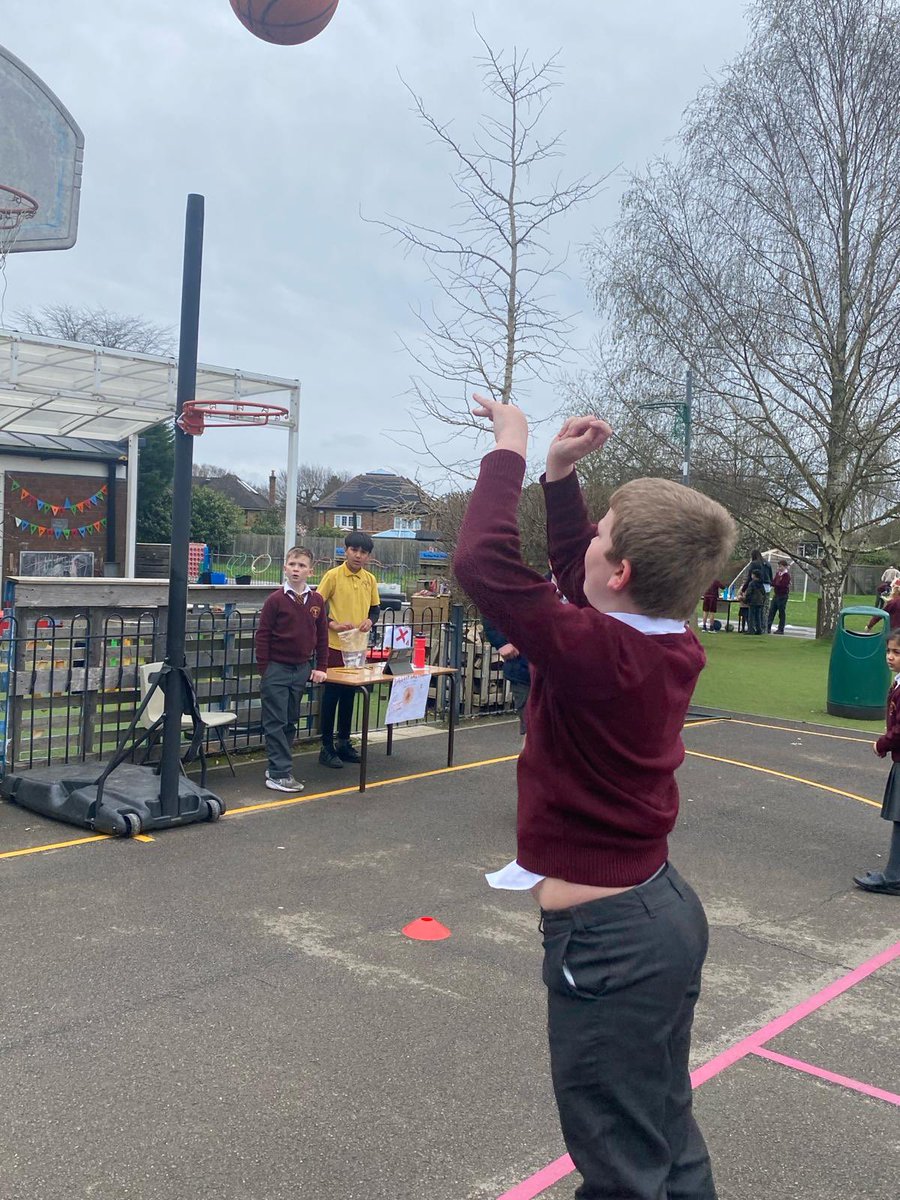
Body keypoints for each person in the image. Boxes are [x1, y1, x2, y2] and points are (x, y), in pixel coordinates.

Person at [454, 396, 735, 1200]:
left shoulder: (597, 653)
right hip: (656, 920)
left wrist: (508, 450)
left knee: (618, 1166)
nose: (590, 544)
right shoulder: (664, 639)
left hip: (612, 947)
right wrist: (561, 479)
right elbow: (589, 574)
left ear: (619, 574)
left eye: (604, 534)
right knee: (659, 1132)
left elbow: (484, 566)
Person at [255, 546, 329, 792]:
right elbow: (263, 635)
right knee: (275, 720)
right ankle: (279, 773)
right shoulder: (275, 600)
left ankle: (277, 765)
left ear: (310, 570)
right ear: (285, 567)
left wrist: (321, 666)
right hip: (276, 668)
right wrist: (266, 669)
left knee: (289, 720)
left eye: (301, 565)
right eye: (292, 565)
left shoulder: (316, 600)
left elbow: (321, 637)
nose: (296, 569)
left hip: (301, 668)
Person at [316, 530, 381, 768]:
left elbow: (375, 609)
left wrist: (370, 621)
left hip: (357, 648)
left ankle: (343, 742)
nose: (358, 555)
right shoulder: (333, 576)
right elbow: (316, 604)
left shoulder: (370, 579)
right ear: (346, 550)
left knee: (350, 695)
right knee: (331, 695)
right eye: (354, 550)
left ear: (369, 557)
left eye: (363, 552)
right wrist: (332, 623)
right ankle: (326, 746)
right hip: (334, 645)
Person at [853, 630, 900, 896]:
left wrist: (882, 744)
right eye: (888, 651)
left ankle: (894, 877)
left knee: (899, 817)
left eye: (897, 652)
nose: (890, 657)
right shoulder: (897, 682)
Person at [481, 616, 531, 734]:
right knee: (534, 731)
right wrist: (501, 642)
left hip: (565, 673)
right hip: (525, 670)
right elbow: (491, 606)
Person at [767, 560, 792, 634]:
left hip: (782, 595)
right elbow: (774, 581)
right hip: (776, 594)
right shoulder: (778, 574)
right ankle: (768, 627)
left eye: (780, 566)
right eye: (778, 566)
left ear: (785, 566)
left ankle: (781, 629)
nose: (779, 568)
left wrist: (775, 584)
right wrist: (771, 583)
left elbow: (783, 585)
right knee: (771, 611)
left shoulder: (786, 575)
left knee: (781, 612)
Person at [743, 567, 767, 634]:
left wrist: (746, 599)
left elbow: (749, 592)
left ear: (754, 575)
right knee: (758, 616)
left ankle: (750, 630)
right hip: (760, 602)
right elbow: (764, 593)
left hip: (753, 601)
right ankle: (759, 630)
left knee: (751, 617)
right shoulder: (761, 584)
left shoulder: (752, 583)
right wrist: (763, 601)